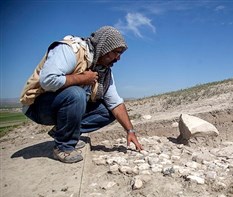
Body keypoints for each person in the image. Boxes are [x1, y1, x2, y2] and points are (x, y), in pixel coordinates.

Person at [19, 26, 143, 163]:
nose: (118, 58)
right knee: (76, 94)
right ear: (104, 47)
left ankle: (64, 132)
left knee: (108, 111)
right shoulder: (71, 50)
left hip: (63, 106)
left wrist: (130, 131)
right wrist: (82, 79)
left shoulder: (104, 71)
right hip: (37, 106)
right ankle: (63, 147)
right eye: (116, 52)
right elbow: (47, 80)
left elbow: (116, 103)